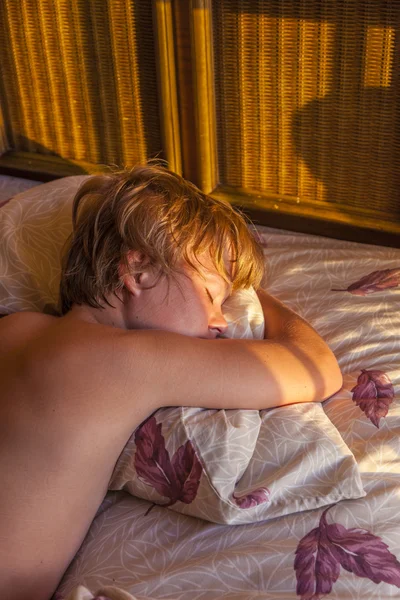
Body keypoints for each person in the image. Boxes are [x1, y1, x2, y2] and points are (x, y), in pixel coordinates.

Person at [0, 161, 343, 600]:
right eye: (211, 295)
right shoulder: (132, 359)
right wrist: (257, 294)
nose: (222, 321)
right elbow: (314, 367)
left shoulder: (15, 329)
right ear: (138, 271)